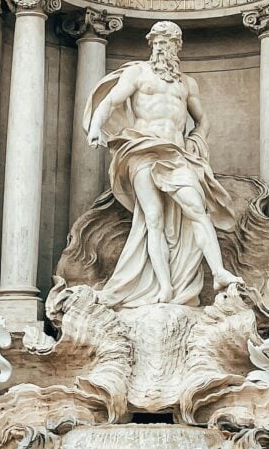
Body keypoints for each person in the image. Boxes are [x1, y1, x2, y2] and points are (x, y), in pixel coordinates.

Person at [85, 20, 242, 308]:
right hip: (142, 149)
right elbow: (110, 101)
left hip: (175, 153)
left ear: (176, 47)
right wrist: (96, 126)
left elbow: (203, 120)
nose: (159, 47)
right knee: (153, 219)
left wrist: (196, 138)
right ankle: (165, 286)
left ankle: (219, 272)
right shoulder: (137, 73)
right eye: (156, 42)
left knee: (197, 208)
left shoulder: (187, 84)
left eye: (165, 42)